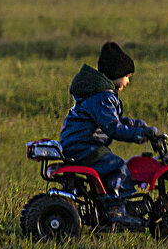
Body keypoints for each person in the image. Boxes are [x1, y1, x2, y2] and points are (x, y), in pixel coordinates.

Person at [59, 41, 161, 224]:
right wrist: (138, 135)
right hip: (83, 145)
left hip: (78, 142)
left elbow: (115, 120)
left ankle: (108, 202)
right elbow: (113, 128)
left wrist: (137, 126)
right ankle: (115, 209)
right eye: (127, 76)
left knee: (110, 162)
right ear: (115, 74)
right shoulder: (103, 97)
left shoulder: (98, 94)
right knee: (118, 166)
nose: (128, 81)